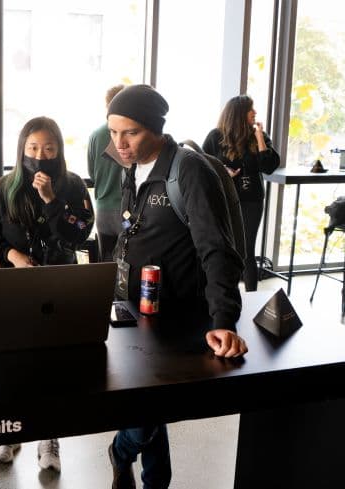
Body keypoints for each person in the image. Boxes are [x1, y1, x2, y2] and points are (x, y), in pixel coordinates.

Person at [106, 84, 248, 489]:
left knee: (149, 409)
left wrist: (224, 320)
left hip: (178, 317)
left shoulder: (189, 170)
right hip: (133, 312)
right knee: (147, 404)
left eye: (130, 132)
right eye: (113, 132)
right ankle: (156, 482)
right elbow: (133, 232)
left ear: (156, 128)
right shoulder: (130, 167)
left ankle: (120, 451)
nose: (120, 143)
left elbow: (218, 249)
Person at [0, 116, 94, 471]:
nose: (40, 154)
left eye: (48, 148)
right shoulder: (2, 188)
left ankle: (49, 438)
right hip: (15, 284)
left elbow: (78, 236)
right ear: (21, 150)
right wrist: (13, 256)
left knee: (53, 363)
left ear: (59, 150)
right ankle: (10, 429)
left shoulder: (75, 186)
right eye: (32, 148)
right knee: (12, 361)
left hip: (60, 281)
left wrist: (51, 200)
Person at [203, 94, 281, 292]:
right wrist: (223, 169)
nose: (255, 112)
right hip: (224, 199)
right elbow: (201, 163)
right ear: (238, 113)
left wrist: (260, 138)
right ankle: (224, 295)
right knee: (222, 248)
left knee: (246, 251)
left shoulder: (259, 136)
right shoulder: (215, 136)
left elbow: (269, 166)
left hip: (251, 201)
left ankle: (252, 297)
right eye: (250, 109)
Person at [88, 84, 126, 261]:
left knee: (106, 261)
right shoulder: (130, 133)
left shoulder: (96, 135)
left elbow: (92, 173)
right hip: (126, 210)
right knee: (127, 260)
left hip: (103, 208)